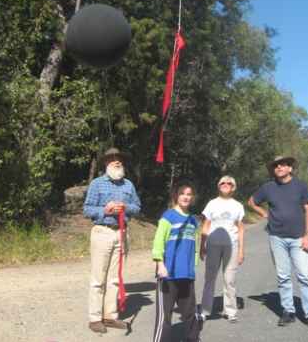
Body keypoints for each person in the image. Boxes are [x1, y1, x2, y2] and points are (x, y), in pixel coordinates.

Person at [248, 155, 308, 332]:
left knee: (304, 275)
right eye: (276, 166)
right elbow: (251, 201)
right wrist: (263, 213)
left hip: (298, 237)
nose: (279, 167)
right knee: (283, 276)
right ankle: (288, 311)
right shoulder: (268, 187)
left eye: (283, 165)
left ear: (290, 168)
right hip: (276, 237)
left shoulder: (301, 186)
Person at [83, 147, 141, 334]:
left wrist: (126, 207)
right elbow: (87, 209)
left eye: (119, 159)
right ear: (106, 163)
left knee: (115, 278)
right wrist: (104, 211)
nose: (117, 161)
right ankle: (94, 318)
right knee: (98, 278)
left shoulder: (128, 185)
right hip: (102, 232)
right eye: (112, 159)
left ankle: (110, 316)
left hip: (121, 233)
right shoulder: (97, 184)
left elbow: (137, 207)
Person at [152, 181, 202, 342]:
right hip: (168, 273)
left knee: (189, 312)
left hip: (186, 274)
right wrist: (160, 264)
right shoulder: (168, 216)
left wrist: (192, 266)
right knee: (165, 315)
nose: (186, 197)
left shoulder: (193, 220)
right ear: (176, 196)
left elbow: (194, 246)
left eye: (189, 194)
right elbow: (158, 242)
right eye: (182, 194)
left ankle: (192, 338)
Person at [200, 175, 245, 323]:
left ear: (233, 187)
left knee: (229, 279)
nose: (226, 185)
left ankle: (230, 311)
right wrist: (202, 245)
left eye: (229, 183)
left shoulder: (238, 205)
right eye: (222, 183)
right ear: (219, 186)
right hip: (212, 245)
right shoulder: (212, 204)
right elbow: (206, 225)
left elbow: (240, 229)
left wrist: (241, 250)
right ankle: (205, 310)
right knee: (209, 278)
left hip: (231, 246)